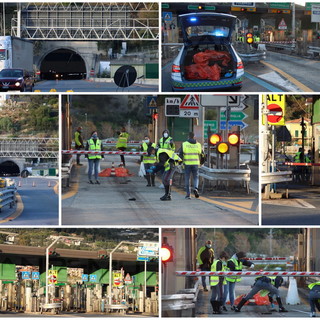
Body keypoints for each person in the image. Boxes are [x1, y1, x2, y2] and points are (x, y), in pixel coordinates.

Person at [179, 132, 205, 199]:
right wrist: (202, 162)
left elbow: (181, 154)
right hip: (196, 164)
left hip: (187, 164)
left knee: (187, 179)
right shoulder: (198, 145)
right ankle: (195, 188)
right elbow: (203, 155)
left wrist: (180, 163)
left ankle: (188, 194)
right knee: (196, 178)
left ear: (188, 136)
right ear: (194, 136)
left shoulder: (184, 144)